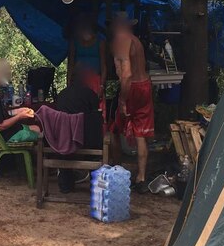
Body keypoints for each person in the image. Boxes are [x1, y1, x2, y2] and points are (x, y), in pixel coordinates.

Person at [110, 12, 154, 194]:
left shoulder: (122, 40)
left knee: (113, 127)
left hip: (132, 87)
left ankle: (117, 168)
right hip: (145, 85)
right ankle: (141, 177)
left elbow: (126, 73)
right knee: (140, 132)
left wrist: (122, 99)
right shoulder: (136, 41)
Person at [54, 64, 103, 193]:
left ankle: (65, 186)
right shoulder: (89, 94)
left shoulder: (61, 95)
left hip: (63, 142)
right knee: (95, 127)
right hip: (85, 141)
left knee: (64, 149)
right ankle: (95, 186)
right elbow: (96, 116)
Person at [67, 12, 106, 97]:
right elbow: (70, 64)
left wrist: (102, 85)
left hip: (95, 79)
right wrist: (68, 84)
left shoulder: (100, 42)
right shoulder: (74, 42)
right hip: (79, 79)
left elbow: (103, 66)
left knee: (94, 106)